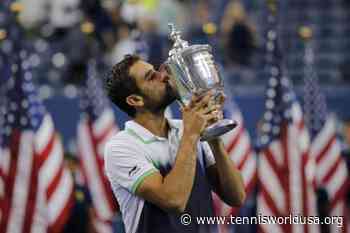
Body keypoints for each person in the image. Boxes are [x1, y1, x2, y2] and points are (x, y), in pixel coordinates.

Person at [103, 54, 246, 233]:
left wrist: (213, 136)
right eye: (151, 77)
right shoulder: (121, 147)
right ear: (135, 100)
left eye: (156, 71)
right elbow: (174, 201)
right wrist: (191, 134)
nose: (163, 75)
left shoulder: (185, 130)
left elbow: (236, 196)